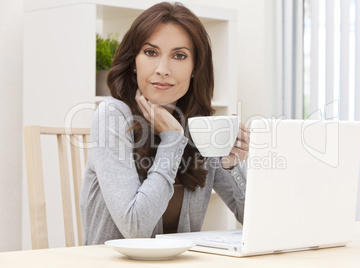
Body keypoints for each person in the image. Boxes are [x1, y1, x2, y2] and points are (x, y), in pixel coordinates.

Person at [80, 1, 250, 245]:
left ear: (195, 68)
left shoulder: (200, 127)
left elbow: (253, 219)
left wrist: (234, 167)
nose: (162, 69)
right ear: (133, 62)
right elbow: (135, 228)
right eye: (151, 52)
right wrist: (172, 139)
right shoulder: (112, 115)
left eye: (179, 56)